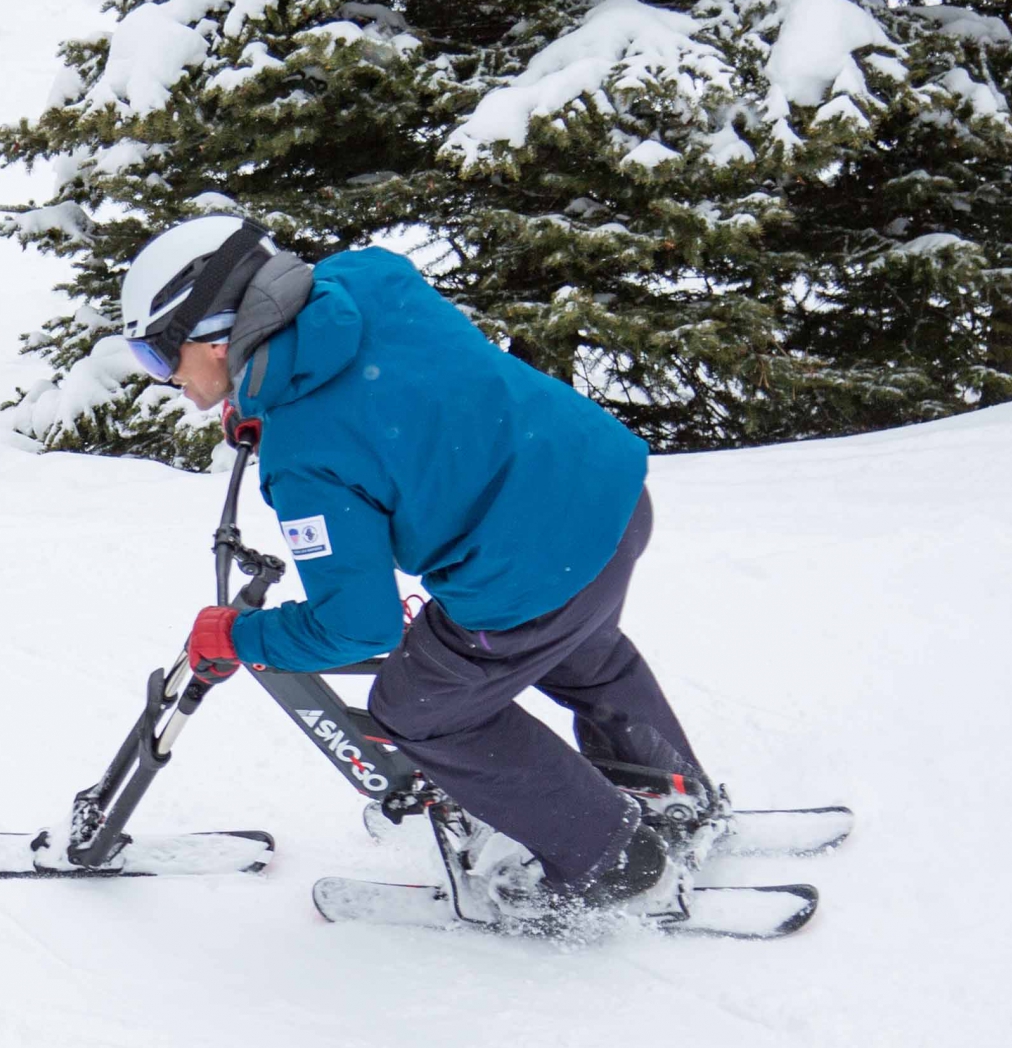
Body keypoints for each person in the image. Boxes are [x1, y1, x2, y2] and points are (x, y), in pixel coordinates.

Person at [115, 215, 714, 919]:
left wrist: (238, 637)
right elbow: (388, 383)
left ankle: (613, 858)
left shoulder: (305, 456)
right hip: (609, 494)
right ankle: (670, 786)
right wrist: (262, 397)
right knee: (578, 645)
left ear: (217, 334)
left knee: (417, 708)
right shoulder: (366, 275)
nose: (164, 379)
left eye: (160, 356)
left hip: (532, 572)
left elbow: (355, 623)